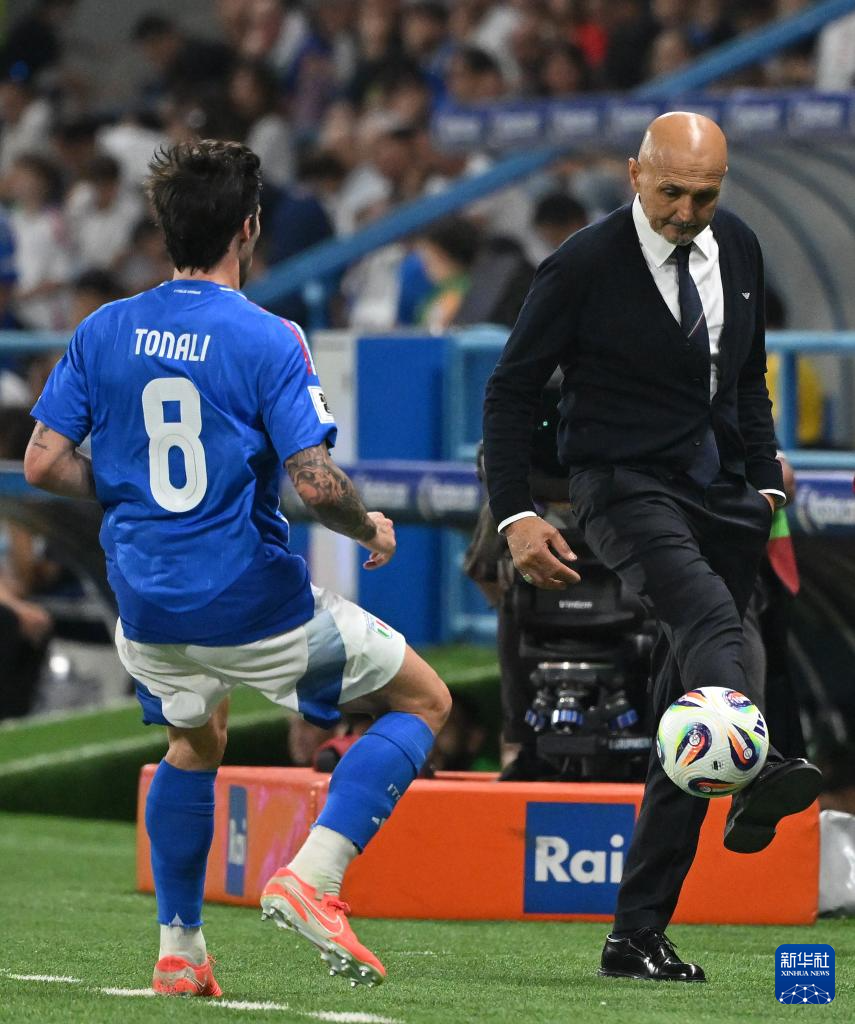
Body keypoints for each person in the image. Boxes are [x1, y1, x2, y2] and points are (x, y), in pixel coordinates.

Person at [24, 139, 450, 997]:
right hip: (248, 601)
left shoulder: (103, 328)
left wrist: (130, 488)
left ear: (162, 227)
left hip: (145, 605)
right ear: (249, 228)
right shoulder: (267, 336)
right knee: (424, 700)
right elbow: (314, 481)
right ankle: (313, 878)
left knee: (194, 742)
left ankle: (180, 951)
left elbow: (41, 462)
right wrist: (365, 524)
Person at [482, 112, 822, 982]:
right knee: (712, 624)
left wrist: (764, 485)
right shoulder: (581, 265)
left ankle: (634, 934)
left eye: (702, 196)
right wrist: (515, 514)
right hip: (621, 488)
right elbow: (510, 391)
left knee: (693, 715)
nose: (684, 211)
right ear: (634, 174)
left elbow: (746, 381)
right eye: (670, 191)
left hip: (724, 497)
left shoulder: (737, 246)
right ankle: (754, 769)